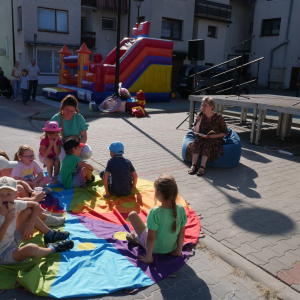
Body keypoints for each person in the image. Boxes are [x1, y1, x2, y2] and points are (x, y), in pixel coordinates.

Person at [0, 177, 74, 265]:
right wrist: (6, 222)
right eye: (0, 194)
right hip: (3, 254)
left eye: (9, 194)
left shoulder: (15, 204)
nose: (5, 197)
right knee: (31, 248)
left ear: (16, 195)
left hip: (12, 239)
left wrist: (30, 225)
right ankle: (53, 248)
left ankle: (50, 234)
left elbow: (35, 205)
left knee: (27, 211)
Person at [127, 174, 187, 264]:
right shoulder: (181, 209)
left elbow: (150, 238)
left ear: (159, 193)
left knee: (132, 215)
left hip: (154, 249)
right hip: (171, 248)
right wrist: (178, 252)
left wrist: (148, 258)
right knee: (149, 227)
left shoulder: (155, 212)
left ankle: (137, 239)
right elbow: (182, 232)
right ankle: (137, 239)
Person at [0, 153, 65, 227]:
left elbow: (21, 182)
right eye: (8, 168)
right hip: (5, 218)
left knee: (20, 188)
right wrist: (33, 199)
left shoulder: (3, 181)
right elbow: (12, 201)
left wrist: (31, 192)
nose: (11, 170)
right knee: (29, 209)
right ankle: (43, 218)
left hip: (8, 211)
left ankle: (43, 213)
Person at [186, 96, 228, 176]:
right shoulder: (202, 116)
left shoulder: (218, 117)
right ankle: (194, 165)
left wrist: (214, 136)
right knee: (197, 140)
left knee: (208, 142)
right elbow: (196, 132)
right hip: (204, 137)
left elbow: (225, 132)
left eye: (205, 105)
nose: (202, 107)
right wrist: (199, 121)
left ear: (211, 107)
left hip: (215, 139)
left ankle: (202, 166)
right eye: (202, 105)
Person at [51, 95, 92, 161]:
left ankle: (77, 164)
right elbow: (48, 136)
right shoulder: (56, 118)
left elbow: (84, 136)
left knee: (88, 152)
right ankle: (65, 166)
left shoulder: (79, 117)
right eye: (67, 110)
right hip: (62, 146)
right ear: (62, 108)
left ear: (75, 109)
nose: (69, 113)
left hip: (76, 144)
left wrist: (79, 148)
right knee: (64, 158)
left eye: (72, 111)